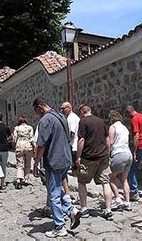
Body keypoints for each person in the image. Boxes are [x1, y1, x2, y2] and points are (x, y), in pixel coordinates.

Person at [32, 97, 81, 238]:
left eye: (36, 111)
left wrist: (36, 163)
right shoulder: (61, 116)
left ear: (40, 107)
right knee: (57, 189)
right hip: (65, 159)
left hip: (54, 160)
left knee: (53, 193)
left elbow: (41, 144)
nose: (37, 114)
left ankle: (59, 227)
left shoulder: (45, 120)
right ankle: (71, 210)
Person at [76, 104, 113, 221]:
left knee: (82, 182)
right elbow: (108, 139)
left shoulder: (83, 122)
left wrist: (78, 157)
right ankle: (108, 210)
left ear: (82, 112)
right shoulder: (101, 121)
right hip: (103, 157)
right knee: (105, 182)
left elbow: (81, 140)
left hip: (89, 157)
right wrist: (108, 152)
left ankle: (84, 209)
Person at [107, 110, 132, 211]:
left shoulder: (113, 127)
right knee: (124, 179)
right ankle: (127, 202)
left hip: (118, 153)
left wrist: (107, 153)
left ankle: (117, 198)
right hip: (128, 154)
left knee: (110, 177)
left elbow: (111, 142)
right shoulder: (125, 128)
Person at [60, 102, 80, 198]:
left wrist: (64, 141)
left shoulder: (71, 118)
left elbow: (71, 133)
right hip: (73, 146)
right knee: (74, 171)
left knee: (75, 171)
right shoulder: (72, 117)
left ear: (69, 108)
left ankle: (78, 193)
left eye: (63, 108)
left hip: (73, 146)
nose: (61, 110)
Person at [13, 116, 35, 189]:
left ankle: (19, 179)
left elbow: (14, 138)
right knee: (28, 163)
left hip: (19, 146)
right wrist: (34, 147)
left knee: (19, 164)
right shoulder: (30, 128)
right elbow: (31, 138)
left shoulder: (16, 128)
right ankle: (26, 178)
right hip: (28, 146)